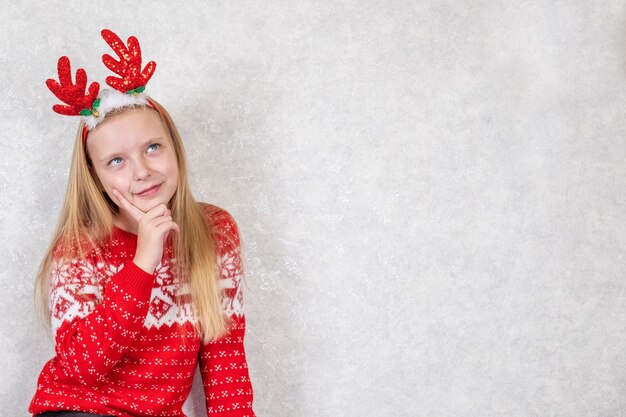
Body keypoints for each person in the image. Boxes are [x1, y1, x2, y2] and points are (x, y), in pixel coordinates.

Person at [28, 29, 255, 417]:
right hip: (80, 410)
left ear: (174, 149)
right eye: (117, 160)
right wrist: (143, 261)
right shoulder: (80, 248)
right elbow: (83, 367)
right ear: (95, 176)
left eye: (152, 148)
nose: (142, 171)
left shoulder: (215, 231)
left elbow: (225, 360)